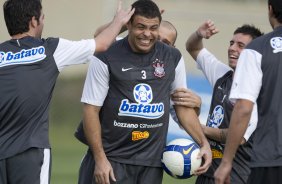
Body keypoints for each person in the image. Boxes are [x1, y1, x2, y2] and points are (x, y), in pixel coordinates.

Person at [0, 0, 134, 183]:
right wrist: (120, 20)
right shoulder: (50, 49)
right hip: (30, 151)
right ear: (33, 21)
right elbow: (101, 44)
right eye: (42, 17)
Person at [78, 0, 212, 184]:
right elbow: (90, 110)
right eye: (141, 27)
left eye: (153, 28)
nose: (147, 34)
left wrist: (203, 143)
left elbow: (181, 107)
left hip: (152, 162)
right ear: (129, 25)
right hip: (112, 159)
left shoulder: (172, 57)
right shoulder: (106, 54)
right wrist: (100, 159)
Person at [74, 19, 202, 145]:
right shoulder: (120, 51)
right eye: (157, 39)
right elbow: (99, 36)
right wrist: (127, 21)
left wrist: (196, 107)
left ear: (172, 48)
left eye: (165, 43)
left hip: (144, 153)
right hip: (108, 145)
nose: (158, 44)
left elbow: (181, 117)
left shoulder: (171, 64)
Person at [172, 20, 263, 184]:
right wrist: (199, 35)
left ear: (253, 54)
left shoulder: (257, 91)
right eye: (231, 43)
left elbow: (238, 136)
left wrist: (197, 128)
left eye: (240, 45)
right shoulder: (223, 74)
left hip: (235, 176)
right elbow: (193, 47)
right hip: (207, 171)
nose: (232, 48)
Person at [214, 0, 282, 183]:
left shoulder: (257, 49)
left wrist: (227, 162)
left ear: (270, 10)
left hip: (271, 158)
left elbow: (244, 108)